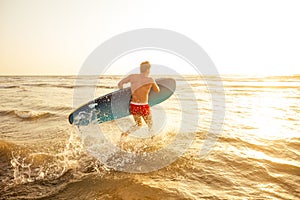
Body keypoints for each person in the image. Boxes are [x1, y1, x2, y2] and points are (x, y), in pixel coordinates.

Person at [118, 61, 160, 137]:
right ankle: (153, 141)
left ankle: (125, 134)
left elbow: (120, 83)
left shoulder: (132, 77)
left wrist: (122, 93)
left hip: (133, 105)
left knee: (138, 124)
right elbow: (157, 90)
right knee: (150, 125)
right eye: (149, 69)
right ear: (147, 70)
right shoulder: (150, 80)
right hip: (144, 106)